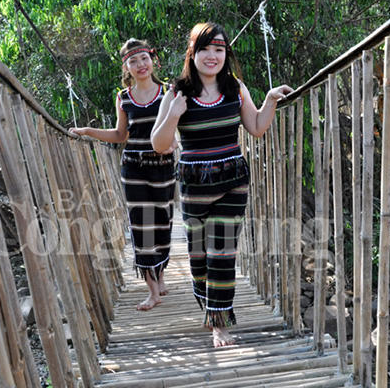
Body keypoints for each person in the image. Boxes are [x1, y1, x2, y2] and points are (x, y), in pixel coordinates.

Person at [151, 22, 293, 347]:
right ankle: (208, 305)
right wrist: (173, 114)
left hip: (233, 182)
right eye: (205, 49)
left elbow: (256, 126)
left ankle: (219, 323)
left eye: (219, 49)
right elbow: (159, 144)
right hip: (194, 186)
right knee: (199, 259)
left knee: (222, 254)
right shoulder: (176, 93)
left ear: (226, 53)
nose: (212, 56)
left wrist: (270, 99)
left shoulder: (235, 87)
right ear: (192, 53)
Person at [70, 39, 176, 311]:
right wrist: (88, 131)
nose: (140, 65)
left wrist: (175, 142)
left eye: (144, 58)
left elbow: (180, 126)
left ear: (152, 60)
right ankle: (152, 291)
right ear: (126, 67)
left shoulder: (169, 92)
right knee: (141, 226)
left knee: (162, 224)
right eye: (133, 61)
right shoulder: (123, 97)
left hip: (163, 167)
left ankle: (160, 274)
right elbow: (120, 135)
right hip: (134, 167)